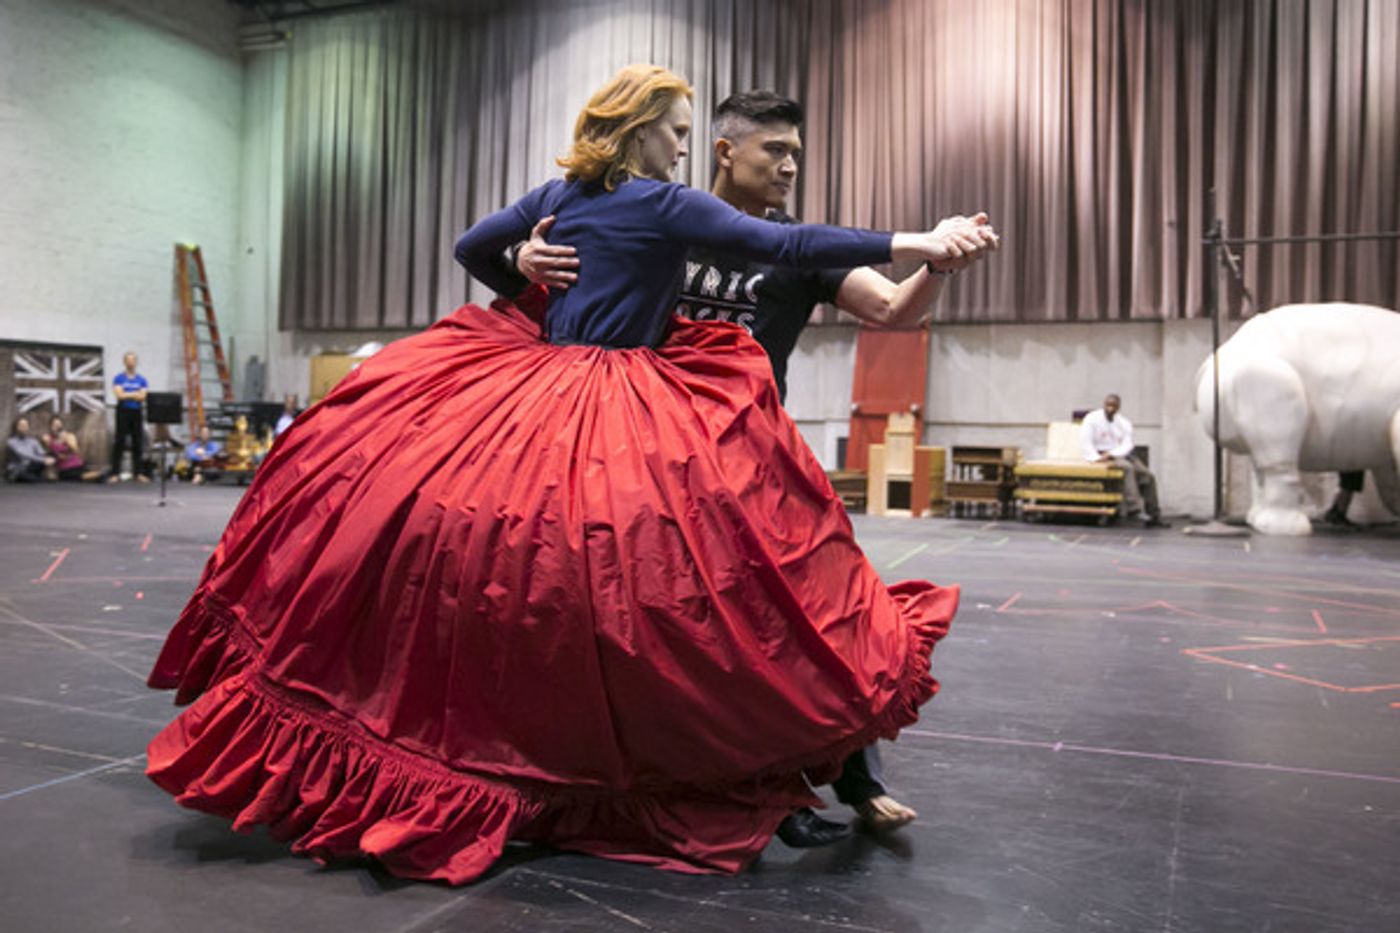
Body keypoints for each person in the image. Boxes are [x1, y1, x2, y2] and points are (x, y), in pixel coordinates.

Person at [145, 64, 987, 884]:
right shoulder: (665, 203)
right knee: (627, 596)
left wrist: (515, 264)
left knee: (536, 568)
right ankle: (639, 758)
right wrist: (914, 239)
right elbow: (783, 241)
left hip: (586, 404)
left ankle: (793, 770)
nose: (686, 147)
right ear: (657, 134)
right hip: (624, 417)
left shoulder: (566, 195)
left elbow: (473, 246)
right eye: (680, 133)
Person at [518, 90, 985, 842]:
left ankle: (854, 777)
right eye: (776, 150)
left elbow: (895, 309)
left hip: (752, 457)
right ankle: (725, 791)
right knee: (666, 632)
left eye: (797, 152)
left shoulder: (796, 247)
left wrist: (937, 263)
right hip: (652, 460)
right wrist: (522, 257)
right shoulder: (663, 217)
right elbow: (558, 264)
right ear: (724, 150)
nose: (791, 165)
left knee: (822, 609)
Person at [1080, 393, 1169, 528]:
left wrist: (1113, 454)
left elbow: (1127, 444)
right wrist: (1096, 457)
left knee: (1147, 475)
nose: (1110, 409)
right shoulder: (1092, 419)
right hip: (1100, 454)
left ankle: (1154, 514)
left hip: (1119, 453)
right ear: (1104, 405)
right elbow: (1086, 441)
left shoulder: (1123, 423)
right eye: (1108, 405)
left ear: (1118, 407)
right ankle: (1134, 508)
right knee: (1127, 468)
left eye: (1113, 406)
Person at [109, 351, 150, 483]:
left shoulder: (142, 380)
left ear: (136, 362)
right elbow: (119, 396)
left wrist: (127, 393)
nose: (131, 362)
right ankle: (115, 473)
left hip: (136, 411)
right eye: (128, 360)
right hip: (123, 411)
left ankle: (138, 473)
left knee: (137, 442)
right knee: (119, 442)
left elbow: (142, 397)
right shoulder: (118, 378)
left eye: (133, 360)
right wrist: (134, 394)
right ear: (125, 362)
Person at [41, 414, 97, 481]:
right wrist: (58, 441)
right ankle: (100, 475)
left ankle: (102, 475)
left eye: (59, 425)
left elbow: (77, 452)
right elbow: (50, 451)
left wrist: (68, 441)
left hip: (77, 464)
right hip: (64, 469)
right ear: (50, 427)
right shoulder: (48, 438)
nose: (57, 427)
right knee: (83, 476)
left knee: (88, 474)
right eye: (54, 425)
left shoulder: (69, 436)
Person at [6, 416, 55, 483]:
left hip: (31, 466)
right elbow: (24, 455)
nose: (24, 427)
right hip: (19, 468)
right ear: (16, 427)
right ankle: (38, 478)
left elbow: (41, 453)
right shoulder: (11, 442)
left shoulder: (33, 441)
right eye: (21, 425)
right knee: (27, 476)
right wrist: (43, 460)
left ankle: (43, 477)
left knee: (50, 455)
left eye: (26, 425)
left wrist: (48, 456)